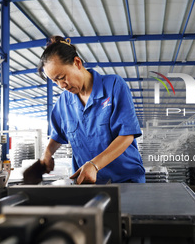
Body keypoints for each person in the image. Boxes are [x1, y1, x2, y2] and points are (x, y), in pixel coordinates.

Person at [37, 36, 145, 184]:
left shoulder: (113, 86)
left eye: (62, 77)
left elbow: (126, 135)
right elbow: (57, 136)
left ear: (77, 62)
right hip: (88, 183)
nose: (61, 85)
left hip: (125, 180)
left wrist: (94, 165)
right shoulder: (63, 102)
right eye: (55, 81)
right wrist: (47, 154)